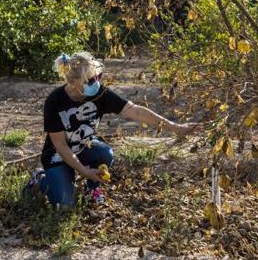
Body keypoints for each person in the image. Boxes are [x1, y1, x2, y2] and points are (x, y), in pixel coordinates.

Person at [25, 51, 197, 208]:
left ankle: (92, 189)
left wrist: (175, 128)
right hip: (57, 157)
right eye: (90, 80)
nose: (96, 83)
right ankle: (41, 180)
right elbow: (61, 146)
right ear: (72, 81)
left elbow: (136, 111)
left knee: (105, 153)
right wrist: (84, 172)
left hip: (84, 147)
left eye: (98, 77)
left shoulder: (101, 94)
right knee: (65, 206)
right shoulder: (55, 101)